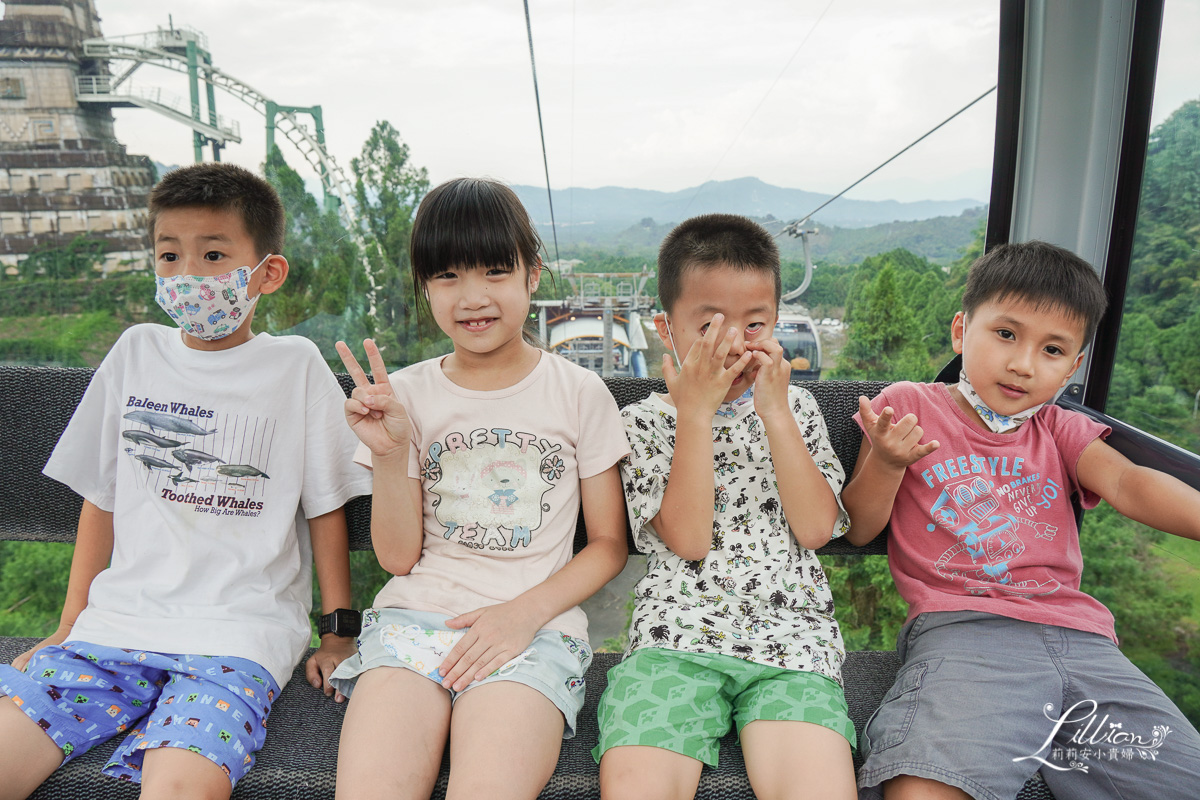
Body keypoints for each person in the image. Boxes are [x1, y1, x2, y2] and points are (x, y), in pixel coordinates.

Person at [0, 163, 370, 800]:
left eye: (214, 254)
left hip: (237, 635)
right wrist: (69, 624)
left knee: (180, 786)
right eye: (169, 255)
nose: (188, 275)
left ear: (267, 273)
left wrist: (337, 634)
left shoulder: (293, 366)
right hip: (115, 626)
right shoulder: (137, 351)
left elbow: (325, 506)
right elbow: (102, 496)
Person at [843, 240, 1200, 800]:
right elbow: (860, 527)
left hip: (1086, 644)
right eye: (1006, 334)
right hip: (966, 633)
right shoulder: (910, 406)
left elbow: (1130, 483)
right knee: (927, 784)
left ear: (1073, 366)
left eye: (1052, 349)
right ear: (962, 331)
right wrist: (888, 462)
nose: (1023, 363)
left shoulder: (1058, 429)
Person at [329, 177, 629, 800]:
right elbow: (396, 559)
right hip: (413, 620)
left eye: (495, 271)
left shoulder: (577, 393)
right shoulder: (406, 395)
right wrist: (388, 455)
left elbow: (607, 545)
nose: (473, 298)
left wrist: (523, 614)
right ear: (425, 286)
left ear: (533, 275)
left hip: (534, 630)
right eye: (447, 277)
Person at [595, 214, 857, 800]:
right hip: (674, 637)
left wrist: (776, 412)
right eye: (710, 323)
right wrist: (694, 413)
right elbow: (687, 540)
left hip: (793, 641)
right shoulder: (643, 423)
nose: (735, 342)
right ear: (666, 328)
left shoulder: (796, 409)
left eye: (755, 323)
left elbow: (816, 528)